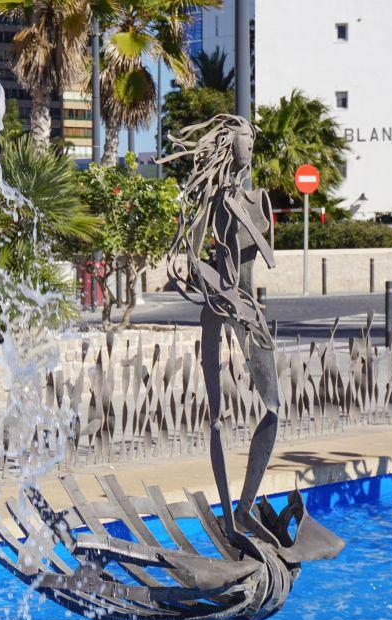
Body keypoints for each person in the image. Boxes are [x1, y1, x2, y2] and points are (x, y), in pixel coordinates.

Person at [157, 115, 279, 552]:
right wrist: (215, 284)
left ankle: (244, 508)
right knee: (217, 417)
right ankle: (229, 520)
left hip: (250, 312)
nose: (248, 150)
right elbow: (187, 259)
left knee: (273, 408)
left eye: (251, 143)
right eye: (243, 143)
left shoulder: (258, 199)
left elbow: (262, 259)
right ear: (230, 148)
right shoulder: (212, 204)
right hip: (217, 310)